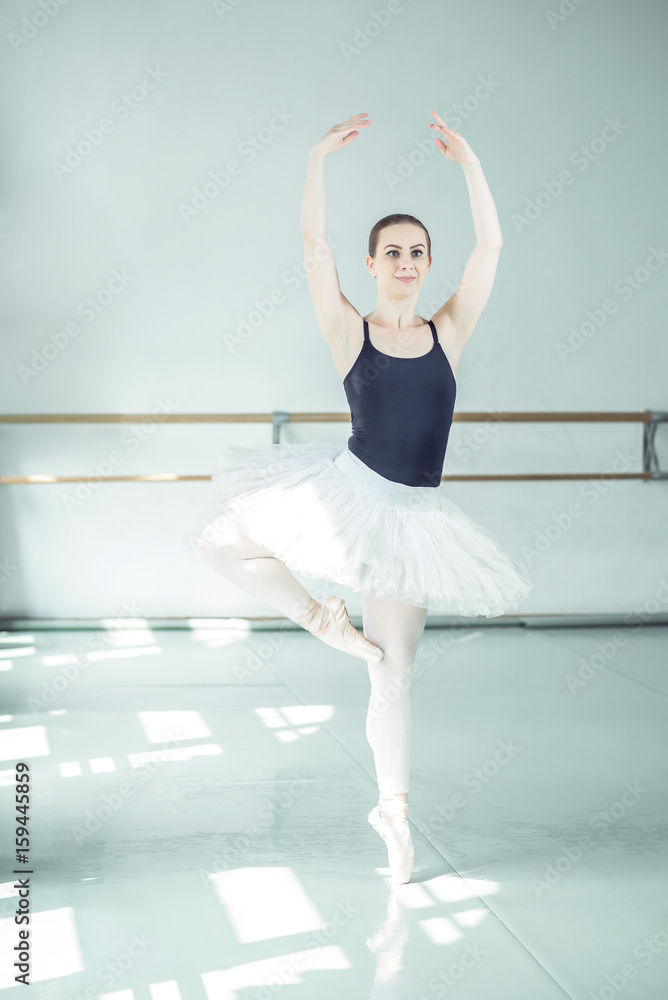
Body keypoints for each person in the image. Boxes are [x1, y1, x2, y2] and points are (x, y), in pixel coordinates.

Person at [197, 111, 533, 883]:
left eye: (418, 253)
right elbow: (313, 251)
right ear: (375, 263)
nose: (408, 263)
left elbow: (493, 247)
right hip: (346, 494)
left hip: (410, 523)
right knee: (221, 541)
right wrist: (316, 160)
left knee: (394, 674)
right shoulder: (351, 333)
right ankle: (320, 618)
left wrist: (472, 162)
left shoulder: (449, 331)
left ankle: (394, 811)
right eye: (394, 253)